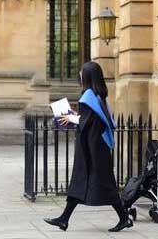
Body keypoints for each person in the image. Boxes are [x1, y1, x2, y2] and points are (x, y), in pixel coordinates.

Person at [44, 61, 132, 232]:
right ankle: (64, 219)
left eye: (82, 71)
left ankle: (123, 218)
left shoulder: (88, 98)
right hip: (96, 147)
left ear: (88, 76)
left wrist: (71, 118)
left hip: (92, 149)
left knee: (103, 183)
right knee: (82, 181)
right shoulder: (98, 96)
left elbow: (87, 122)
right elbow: (93, 120)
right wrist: (77, 117)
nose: (79, 73)